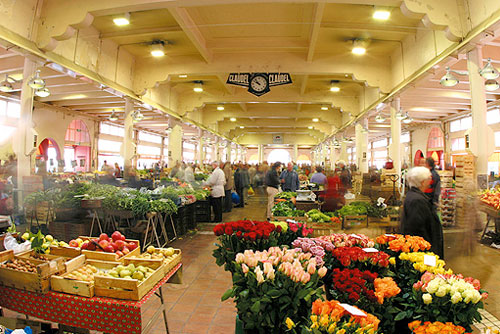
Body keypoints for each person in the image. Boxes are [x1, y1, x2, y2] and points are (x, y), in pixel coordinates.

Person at [401, 166, 444, 258]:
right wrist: (429, 252)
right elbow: (418, 229)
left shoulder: (414, 196)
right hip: (423, 250)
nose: (430, 181)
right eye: (429, 179)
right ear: (422, 182)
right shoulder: (417, 201)